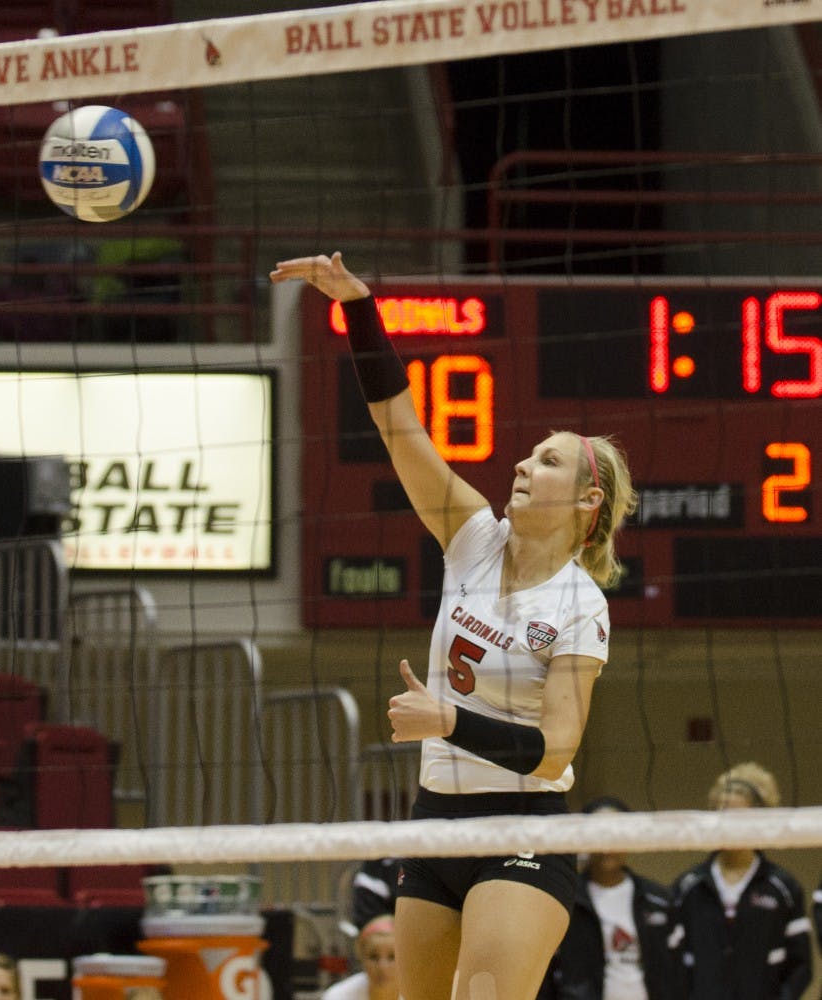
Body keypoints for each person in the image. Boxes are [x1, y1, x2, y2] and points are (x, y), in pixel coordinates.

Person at [270, 252, 637, 1000]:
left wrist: (448, 719)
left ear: (585, 502)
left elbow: (555, 750)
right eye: (529, 454)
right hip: (434, 819)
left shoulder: (578, 603)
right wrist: (357, 308)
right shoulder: (473, 537)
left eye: (549, 461)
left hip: (524, 827)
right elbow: (398, 427)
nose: (524, 465)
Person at [667, 762, 812, 1000]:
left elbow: (800, 966)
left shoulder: (783, 888)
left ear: (760, 819)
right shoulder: (688, 887)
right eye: (723, 818)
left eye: (739, 818)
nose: (731, 827)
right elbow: (671, 964)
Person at [541, 796, 671, 1000]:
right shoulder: (563, 899)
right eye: (599, 833)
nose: (607, 845)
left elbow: (673, 973)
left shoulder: (658, 899)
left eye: (615, 834)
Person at [324, 914, 400, 1000]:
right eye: (373, 957)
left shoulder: (416, 994)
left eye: (392, 957)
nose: (382, 967)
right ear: (361, 957)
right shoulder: (337, 996)